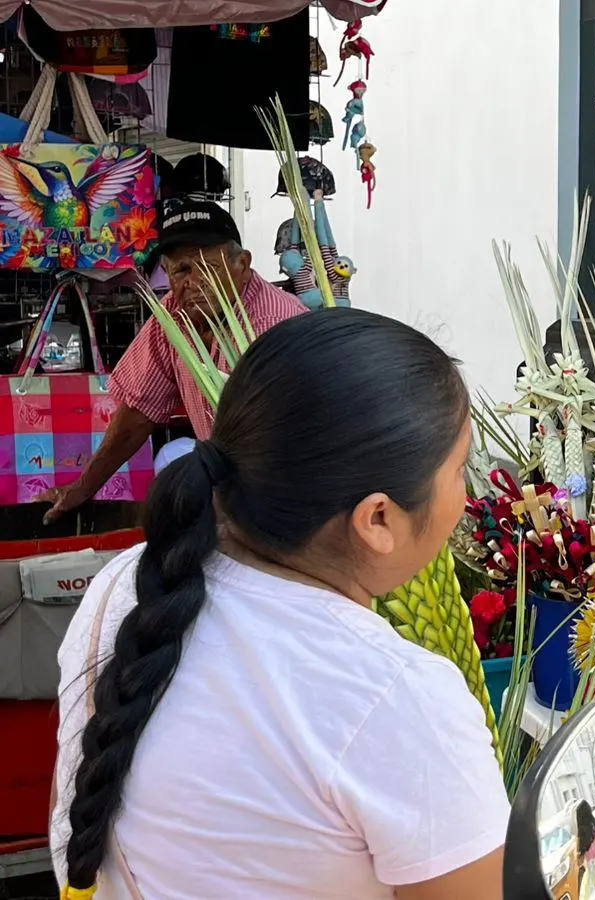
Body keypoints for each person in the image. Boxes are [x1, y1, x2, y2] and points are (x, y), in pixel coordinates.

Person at [50, 309, 507, 899]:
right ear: (377, 519)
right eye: (460, 469)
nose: (467, 498)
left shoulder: (126, 583)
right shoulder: (396, 697)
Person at [39, 198, 307, 524]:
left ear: (243, 264)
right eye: (181, 270)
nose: (194, 283)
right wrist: (82, 488)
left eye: (209, 268)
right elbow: (138, 411)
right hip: (237, 492)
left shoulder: (270, 327)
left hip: (293, 494)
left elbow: (280, 444)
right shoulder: (176, 314)